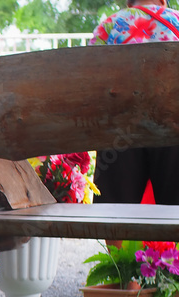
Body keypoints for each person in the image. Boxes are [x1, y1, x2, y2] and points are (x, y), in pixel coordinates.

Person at [89, 0, 179, 204]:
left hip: (121, 132)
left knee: (113, 211)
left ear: (129, 2)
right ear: (162, 1)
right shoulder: (176, 20)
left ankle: (112, 225)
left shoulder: (109, 26)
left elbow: (91, 83)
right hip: (174, 128)